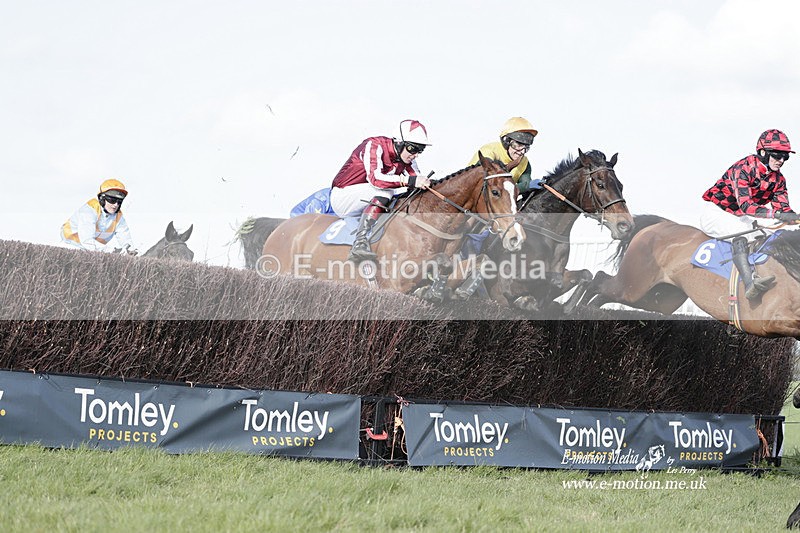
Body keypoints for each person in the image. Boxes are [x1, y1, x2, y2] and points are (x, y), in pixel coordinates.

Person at [700, 129, 799, 300]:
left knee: (772, 236)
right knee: (742, 237)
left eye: (785, 156)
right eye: (777, 155)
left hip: (740, 216)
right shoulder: (744, 168)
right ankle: (750, 284)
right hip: (717, 212)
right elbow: (746, 206)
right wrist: (778, 214)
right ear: (763, 152)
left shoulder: (779, 180)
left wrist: (793, 217)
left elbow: (783, 209)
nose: (781, 161)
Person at [330, 119, 432, 262]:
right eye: (412, 149)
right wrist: (409, 181)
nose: (415, 154)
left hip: (366, 197)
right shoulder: (374, 145)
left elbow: (417, 181)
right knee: (386, 192)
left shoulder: (408, 159)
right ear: (399, 142)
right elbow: (375, 179)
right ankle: (360, 243)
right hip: (343, 196)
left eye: (420, 150)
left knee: (405, 195)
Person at [61, 178, 137, 253]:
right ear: (102, 198)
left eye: (119, 201)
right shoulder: (89, 210)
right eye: (112, 200)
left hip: (94, 250)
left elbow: (125, 238)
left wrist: (130, 251)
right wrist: (113, 251)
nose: (115, 205)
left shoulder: (119, 216)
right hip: (70, 245)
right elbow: (87, 241)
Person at [468, 117, 538, 194]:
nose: (522, 152)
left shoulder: (524, 162)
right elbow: (492, 184)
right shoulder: (489, 150)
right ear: (506, 141)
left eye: (526, 147)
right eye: (518, 145)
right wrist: (526, 187)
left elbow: (526, 190)